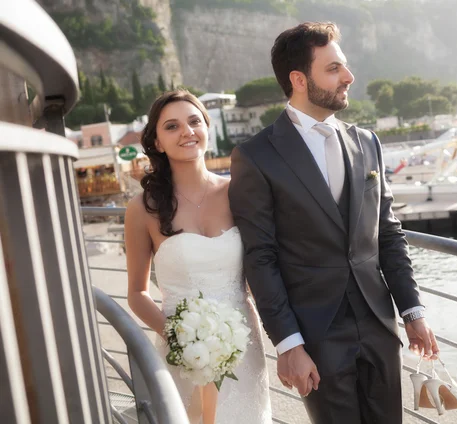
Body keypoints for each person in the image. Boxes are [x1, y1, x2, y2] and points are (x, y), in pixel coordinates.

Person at [229, 22, 439, 424]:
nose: (349, 77)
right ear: (299, 79)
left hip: (379, 325)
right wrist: (288, 343)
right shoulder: (256, 156)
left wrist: (412, 310)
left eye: (344, 66)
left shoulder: (368, 142)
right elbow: (260, 257)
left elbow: (389, 233)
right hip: (315, 334)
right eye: (333, 69)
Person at [124, 90, 272, 424]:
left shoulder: (238, 193)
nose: (187, 132)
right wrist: (180, 338)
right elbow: (136, 293)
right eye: (172, 126)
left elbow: (266, 266)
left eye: (194, 121)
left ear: (207, 127)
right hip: (181, 350)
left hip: (242, 344)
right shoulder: (142, 209)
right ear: (158, 142)